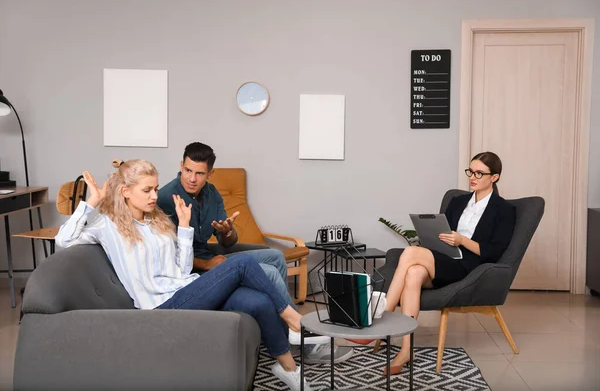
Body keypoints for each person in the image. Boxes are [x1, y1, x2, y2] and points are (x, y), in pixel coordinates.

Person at [55, 159, 314, 391]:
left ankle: (289, 370)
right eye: (147, 190)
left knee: (257, 302)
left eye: (155, 189)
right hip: (161, 306)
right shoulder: (106, 225)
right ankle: (294, 321)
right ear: (125, 191)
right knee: (243, 263)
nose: (154, 196)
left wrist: (185, 226)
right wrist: (91, 203)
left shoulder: (156, 222)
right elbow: (63, 241)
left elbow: (180, 270)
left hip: (185, 289)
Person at [157, 142, 354, 364]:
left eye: (199, 173)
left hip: (214, 258)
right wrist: (206, 264)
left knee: (276, 257)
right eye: (188, 170)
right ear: (181, 165)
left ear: (210, 174)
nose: (192, 178)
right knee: (268, 272)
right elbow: (165, 255)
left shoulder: (212, 194)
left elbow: (228, 243)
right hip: (194, 270)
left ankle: (287, 335)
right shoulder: (164, 199)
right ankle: (295, 337)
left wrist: (227, 232)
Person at [350, 152, 516, 376]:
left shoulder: (504, 210)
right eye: (470, 171)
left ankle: (380, 322)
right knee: (414, 273)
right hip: (445, 258)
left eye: (479, 173)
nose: (472, 177)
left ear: (494, 177)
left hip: (470, 265)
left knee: (409, 253)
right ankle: (406, 351)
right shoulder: (458, 202)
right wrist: (436, 237)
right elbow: (442, 232)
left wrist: (462, 240)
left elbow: (495, 251)